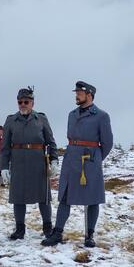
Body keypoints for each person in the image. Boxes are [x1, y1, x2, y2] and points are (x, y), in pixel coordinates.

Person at [41, 81, 113, 248]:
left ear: (89, 94)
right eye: (76, 92)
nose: (76, 95)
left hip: (90, 162)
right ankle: (57, 233)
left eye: (79, 92)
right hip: (71, 160)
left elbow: (107, 143)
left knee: (93, 199)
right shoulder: (71, 114)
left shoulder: (102, 116)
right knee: (65, 197)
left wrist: (95, 160)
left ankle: (89, 235)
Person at [0, 87, 58, 240]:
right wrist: (4, 167)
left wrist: (54, 160)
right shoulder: (10, 120)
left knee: (43, 197)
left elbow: (51, 142)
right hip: (18, 162)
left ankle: (47, 227)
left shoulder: (41, 119)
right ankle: (20, 229)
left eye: (26, 102)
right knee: (18, 197)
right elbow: (5, 147)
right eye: (20, 102)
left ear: (32, 103)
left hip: (38, 163)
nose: (23, 104)